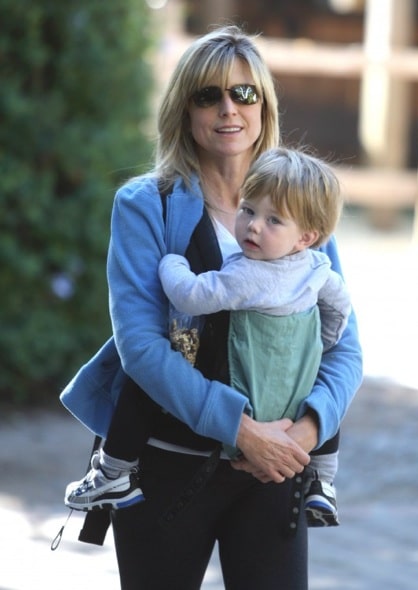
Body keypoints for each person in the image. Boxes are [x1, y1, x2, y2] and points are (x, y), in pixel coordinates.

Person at [60, 25, 362, 590]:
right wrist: (242, 430)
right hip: (165, 466)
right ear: (184, 108)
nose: (229, 108)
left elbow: (343, 346)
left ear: (263, 105)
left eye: (243, 93)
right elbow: (141, 348)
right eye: (209, 95)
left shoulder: (299, 205)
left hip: (275, 469)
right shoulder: (146, 204)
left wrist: (299, 437)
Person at [65, 146, 351, 529]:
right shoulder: (317, 265)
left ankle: (115, 471)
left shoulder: (248, 275)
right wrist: (323, 342)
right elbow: (340, 306)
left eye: (272, 221)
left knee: (144, 382)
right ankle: (322, 478)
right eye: (248, 210)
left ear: (306, 236)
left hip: (243, 391)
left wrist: (171, 264)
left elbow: (194, 296)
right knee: (319, 394)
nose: (253, 226)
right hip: (288, 404)